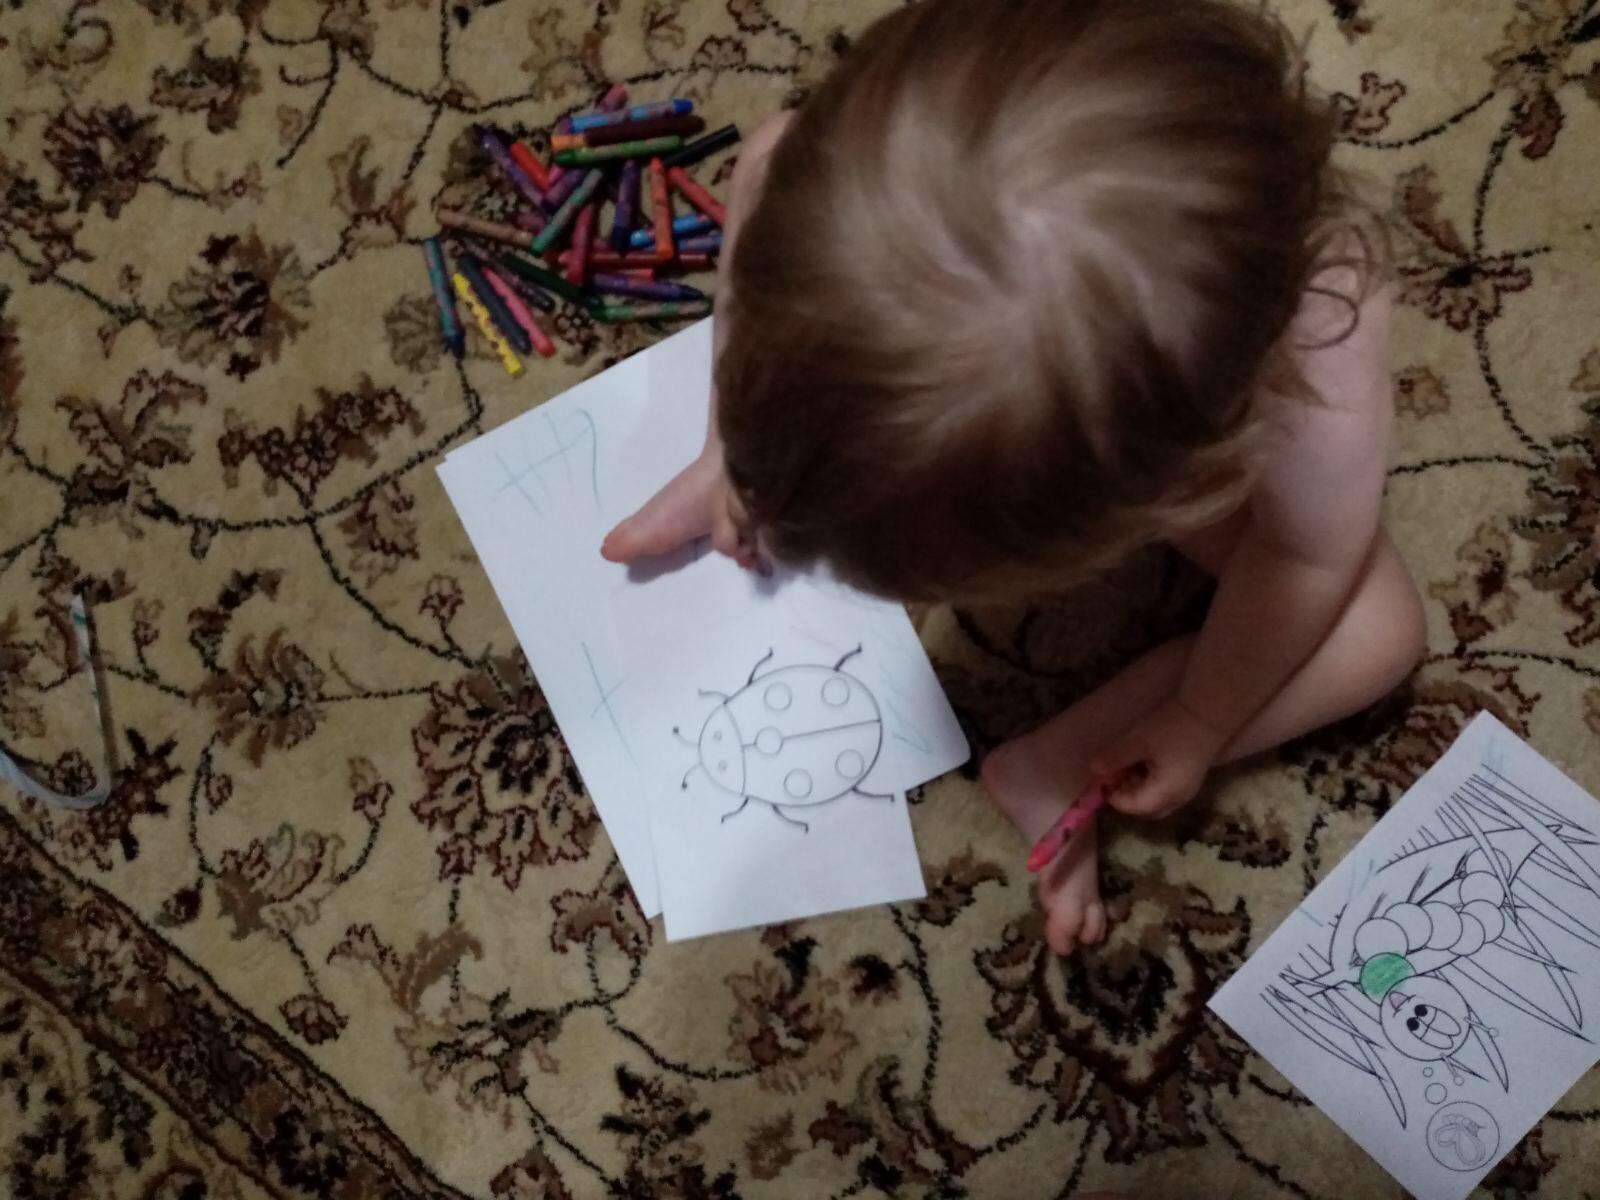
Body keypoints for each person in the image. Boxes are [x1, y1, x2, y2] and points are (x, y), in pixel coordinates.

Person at [601, 0, 1425, 955]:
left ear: (1171, 491)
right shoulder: (818, 178)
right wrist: (735, 454)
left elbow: (1306, 560)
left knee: (1379, 631)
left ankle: (1075, 757)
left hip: (1230, 458)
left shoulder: (1315, 378)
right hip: (1129, 407)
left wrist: (1201, 718)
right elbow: (768, 158)